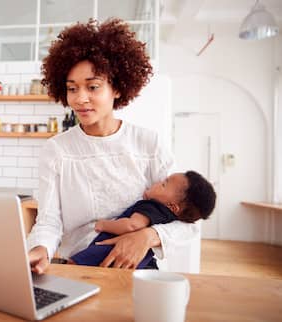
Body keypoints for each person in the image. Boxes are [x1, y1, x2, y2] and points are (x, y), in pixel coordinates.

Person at [27, 18, 199, 274]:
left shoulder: (149, 144)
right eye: (72, 88)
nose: (80, 98)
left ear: (117, 88)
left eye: (93, 87)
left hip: (137, 271)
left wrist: (147, 236)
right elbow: (49, 221)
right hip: (78, 267)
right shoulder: (57, 150)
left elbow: (188, 221)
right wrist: (41, 248)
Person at [69, 171, 217, 268]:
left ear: (172, 206)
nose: (158, 182)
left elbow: (132, 225)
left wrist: (103, 224)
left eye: (164, 184)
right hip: (139, 260)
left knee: (74, 265)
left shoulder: (152, 206)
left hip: (111, 249)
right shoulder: (168, 217)